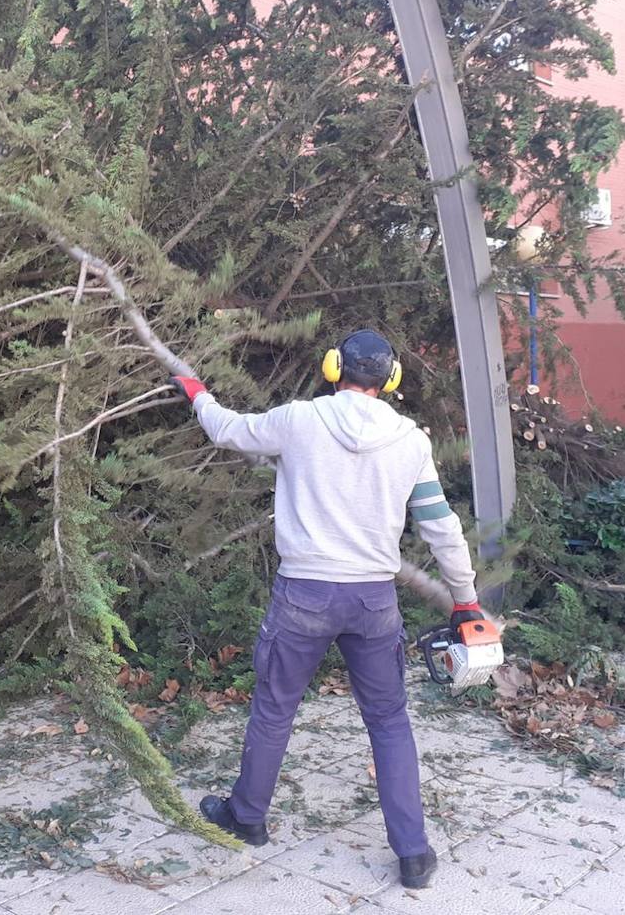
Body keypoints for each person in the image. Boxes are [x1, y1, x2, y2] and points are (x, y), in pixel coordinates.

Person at [168, 329, 483, 889]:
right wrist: (466, 599)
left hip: (304, 595)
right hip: (373, 601)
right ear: (391, 379)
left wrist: (197, 392)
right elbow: (442, 528)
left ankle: (247, 818)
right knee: (389, 720)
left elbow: (225, 430)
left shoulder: (298, 420)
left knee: (274, 710)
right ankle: (413, 854)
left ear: (333, 366)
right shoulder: (410, 441)